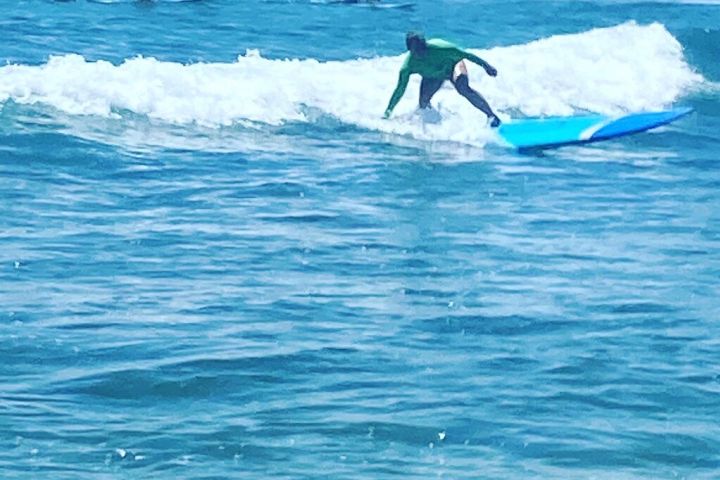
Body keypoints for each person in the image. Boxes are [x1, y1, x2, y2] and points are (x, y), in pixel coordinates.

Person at [383, 32, 501, 127]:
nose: (420, 52)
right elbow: (400, 90)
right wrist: (388, 112)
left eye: (422, 48)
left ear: (425, 45)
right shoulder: (408, 66)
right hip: (433, 76)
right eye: (416, 50)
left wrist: (486, 66)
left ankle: (492, 116)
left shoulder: (440, 48)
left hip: (454, 65)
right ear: (409, 50)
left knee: (462, 88)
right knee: (423, 103)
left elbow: (466, 55)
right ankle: (433, 126)